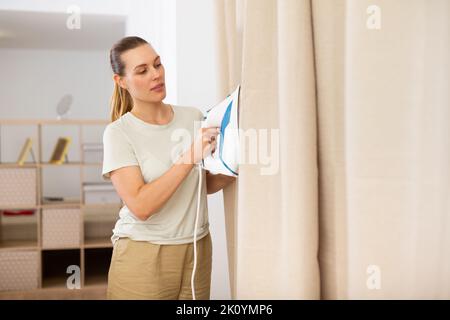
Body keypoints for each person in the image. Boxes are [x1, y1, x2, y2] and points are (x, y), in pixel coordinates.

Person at [102, 36, 235, 299]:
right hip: (144, 256)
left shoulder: (193, 117)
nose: (156, 75)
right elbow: (141, 207)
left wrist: (234, 162)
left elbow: (201, 185)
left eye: (158, 64)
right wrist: (190, 155)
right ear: (121, 81)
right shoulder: (119, 133)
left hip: (197, 249)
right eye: (142, 70)